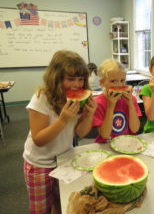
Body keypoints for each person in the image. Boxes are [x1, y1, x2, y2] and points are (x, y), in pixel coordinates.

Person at [23, 50, 97, 214]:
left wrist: (89, 114)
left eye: (81, 79)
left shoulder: (78, 98)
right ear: (56, 77)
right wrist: (63, 119)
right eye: (70, 79)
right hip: (39, 164)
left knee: (61, 202)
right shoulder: (41, 98)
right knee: (41, 210)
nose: (77, 85)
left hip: (64, 158)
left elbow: (80, 132)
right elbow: (39, 139)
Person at [92, 59, 141, 143]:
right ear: (102, 82)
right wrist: (110, 107)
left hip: (127, 143)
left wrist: (130, 104)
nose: (119, 85)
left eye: (122, 80)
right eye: (113, 81)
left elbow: (135, 129)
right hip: (106, 145)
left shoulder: (130, 99)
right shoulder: (98, 103)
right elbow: (105, 135)